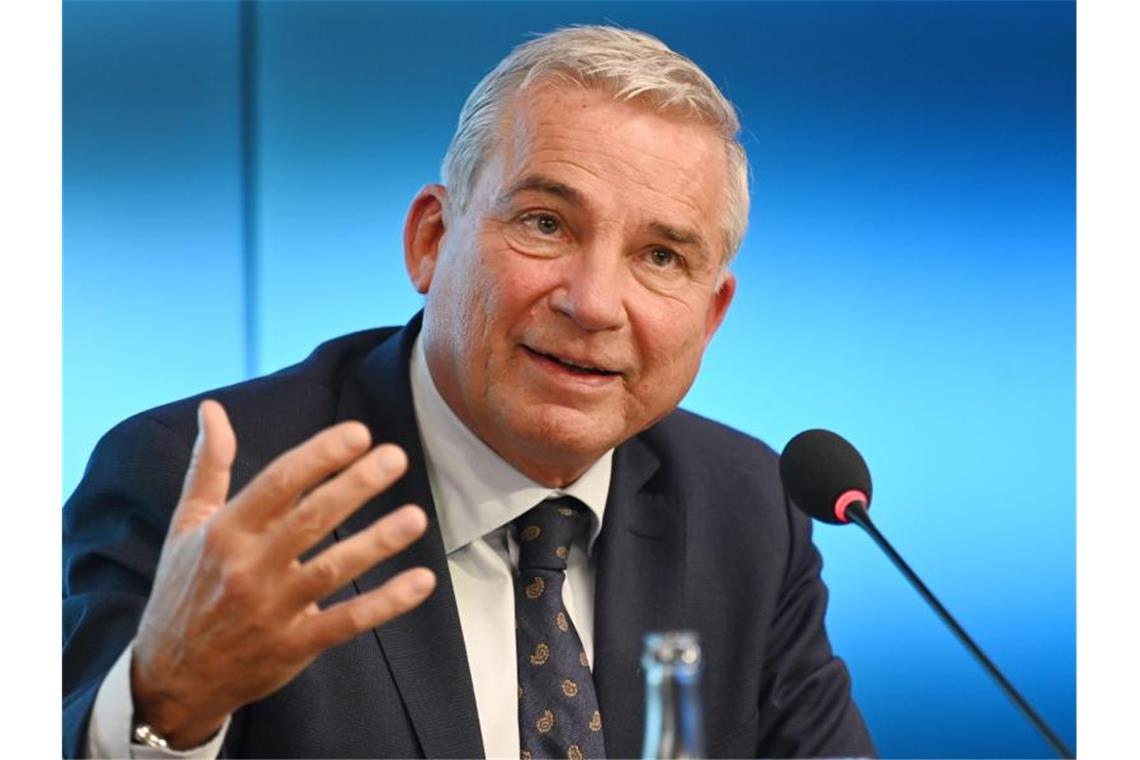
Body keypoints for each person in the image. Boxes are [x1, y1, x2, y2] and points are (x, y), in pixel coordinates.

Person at [63, 25, 875, 759]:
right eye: (546, 224)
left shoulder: (747, 509)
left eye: (661, 257)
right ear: (431, 240)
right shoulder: (200, 483)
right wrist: (167, 705)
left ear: (711, 314)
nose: (593, 304)